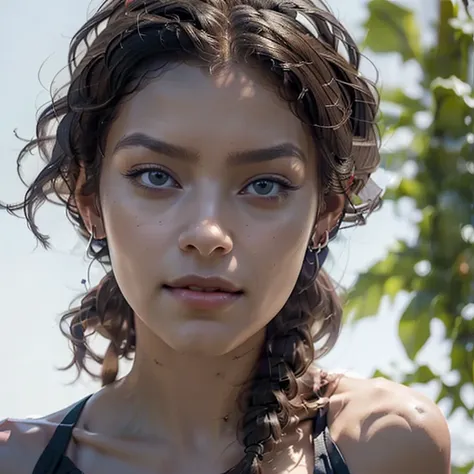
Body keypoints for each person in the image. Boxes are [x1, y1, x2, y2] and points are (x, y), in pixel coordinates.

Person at [0, 0, 451, 473]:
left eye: (265, 185)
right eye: (155, 176)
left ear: (326, 213)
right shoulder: (15, 461)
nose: (207, 233)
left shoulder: (389, 445)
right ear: (89, 198)